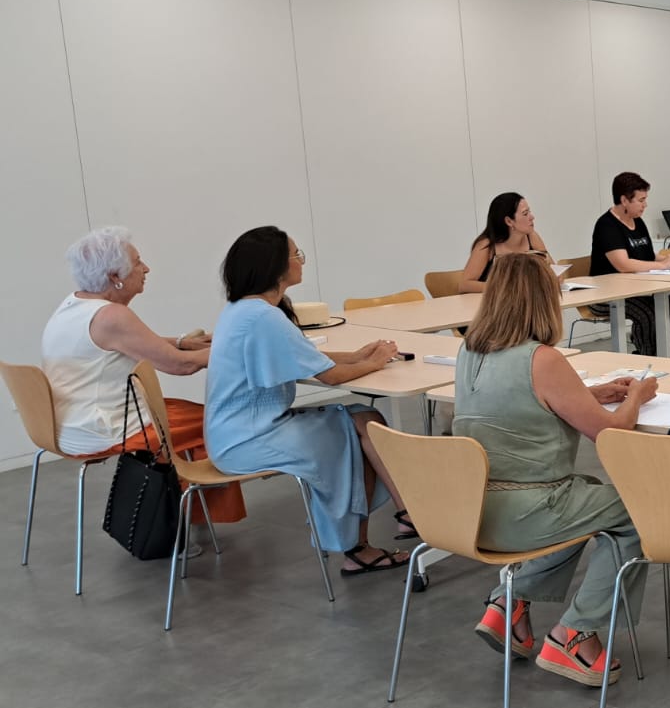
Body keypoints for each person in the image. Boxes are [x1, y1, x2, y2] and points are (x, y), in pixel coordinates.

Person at [456, 253, 657, 686]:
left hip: (474, 510)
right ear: (544, 299)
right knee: (641, 511)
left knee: (588, 490)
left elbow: (517, 400)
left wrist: (587, 393)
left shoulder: (468, 350)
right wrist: (636, 396)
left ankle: (508, 603)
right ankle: (574, 634)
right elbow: (609, 434)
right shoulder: (543, 359)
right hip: (528, 513)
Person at [204, 226, 413, 575]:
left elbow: (309, 358)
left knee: (364, 420)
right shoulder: (263, 317)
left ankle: (393, 522)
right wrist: (374, 362)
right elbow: (330, 376)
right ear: (275, 266)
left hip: (238, 432)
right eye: (296, 255)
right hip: (248, 439)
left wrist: (358, 356)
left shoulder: (244, 309)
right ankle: (401, 518)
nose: (301, 261)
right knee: (361, 428)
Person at [40, 226, 246, 523]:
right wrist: (241, 346)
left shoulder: (76, 304)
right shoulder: (111, 316)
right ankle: (187, 516)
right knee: (215, 422)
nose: (146, 268)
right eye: (137, 262)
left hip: (69, 424)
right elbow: (182, 366)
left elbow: (127, 342)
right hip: (103, 429)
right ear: (115, 276)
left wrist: (181, 342)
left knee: (193, 415)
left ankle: (187, 513)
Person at [588, 172, 670, 356]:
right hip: (606, 293)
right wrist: (662, 265)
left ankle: (663, 356)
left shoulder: (638, 222)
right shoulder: (607, 226)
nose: (645, 205)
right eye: (641, 200)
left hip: (637, 288)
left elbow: (647, 255)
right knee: (647, 313)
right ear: (624, 200)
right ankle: (648, 358)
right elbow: (623, 265)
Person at [459, 191, 552, 294]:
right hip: (493, 302)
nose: (532, 217)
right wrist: (504, 287)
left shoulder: (532, 236)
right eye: (525, 214)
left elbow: (552, 270)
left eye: (529, 212)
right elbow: (465, 285)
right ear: (509, 221)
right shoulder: (486, 245)